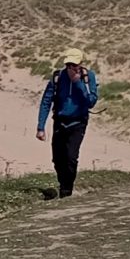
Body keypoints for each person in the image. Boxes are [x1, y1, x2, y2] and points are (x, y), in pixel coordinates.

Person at [35, 48, 100, 198]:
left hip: (78, 122)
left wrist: (77, 82)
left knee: (71, 157)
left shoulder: (88, 77)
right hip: (60, 122)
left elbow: (90, 102)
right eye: (68, 64)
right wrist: (40, 127)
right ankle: (63, 184)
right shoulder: (57, 77)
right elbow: (46, 102)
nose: (71, 68)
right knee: (58, 159)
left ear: (81, 63)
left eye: (74, 65)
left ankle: (66, 190)